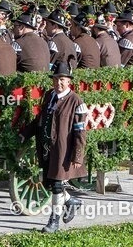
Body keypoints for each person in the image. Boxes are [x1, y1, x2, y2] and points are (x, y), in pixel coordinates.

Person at [20, 63, 86, 234]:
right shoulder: (49, 96)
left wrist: (78, 155)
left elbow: (80, 132)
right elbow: (40, 119)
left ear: (69, 81)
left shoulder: (76, 101)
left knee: (57, 184)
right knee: (49, 183)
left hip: (63, 150)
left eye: (62, 80)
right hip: (46, 147)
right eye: (56, 80)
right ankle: (71, 201)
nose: (58, 84)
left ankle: (54, 221)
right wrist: (25, 134)